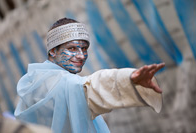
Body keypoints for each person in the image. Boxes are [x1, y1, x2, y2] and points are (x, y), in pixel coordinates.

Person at [14, 18, 165, 133]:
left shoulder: (31, 81)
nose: (81, 55)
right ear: (52, 51)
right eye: (72, 48)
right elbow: (90, 87)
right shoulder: (63, 82)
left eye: (84, 48)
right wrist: (128, 79)